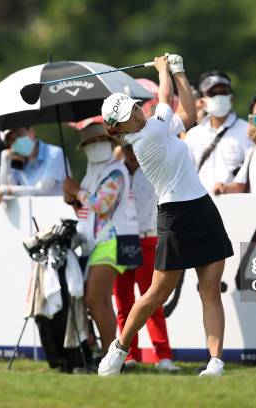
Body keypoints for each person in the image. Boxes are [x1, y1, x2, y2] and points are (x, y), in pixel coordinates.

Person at [98, 54, 233, 377]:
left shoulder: (156, 127)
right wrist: (163, 70)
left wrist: (180, 71)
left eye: (133, 107)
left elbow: (187, 113)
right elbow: (165, 99)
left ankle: (215, 362)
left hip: (202, 208)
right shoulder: (146, 138)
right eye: (128, 115)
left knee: (210, 289)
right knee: (157, 293)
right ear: (118, 128)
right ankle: (119, 349)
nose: (135, 113)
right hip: (174, 215)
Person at [62, 122, 139, 356]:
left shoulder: (116, 170)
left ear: (110, 143)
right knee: (99, 301)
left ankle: (110, 357)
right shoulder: (90, 175)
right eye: (89, 144)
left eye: (99, 141)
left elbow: (102, 204)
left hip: (113, 241)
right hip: (96, 243)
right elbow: (87, 211)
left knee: (95, 300)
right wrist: (73, 199)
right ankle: (109, 355)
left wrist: (77, 192)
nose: (95, 146)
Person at [114, 143, 179, 371]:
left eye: (134, 148)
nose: (131, 153)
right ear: (121, 149)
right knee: (123, 301)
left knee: (151, 300)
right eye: (127, 148)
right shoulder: (115, 171)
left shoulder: (152, 169)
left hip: (147, 237)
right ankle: (129, 355)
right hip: (120, 240)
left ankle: (163, 356)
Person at [184, 70, 251, 194]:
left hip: (239, 206)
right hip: (201, 207)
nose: (218, 97)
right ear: (202, 101)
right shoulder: (193, 135)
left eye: (223, 92)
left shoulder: (248, 131)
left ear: (231, 98)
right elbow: (185, 176)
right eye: (212, 93)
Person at [0, 127, 68, 205]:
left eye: (18, 134)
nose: (16, 141)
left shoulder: (55, 153)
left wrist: (7, 190)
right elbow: (5, 195)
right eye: (12, 140)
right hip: (34, 215)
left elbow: (42, 190)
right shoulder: (18, 163)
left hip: (59, 213)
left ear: (32, 131)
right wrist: (5, 159)